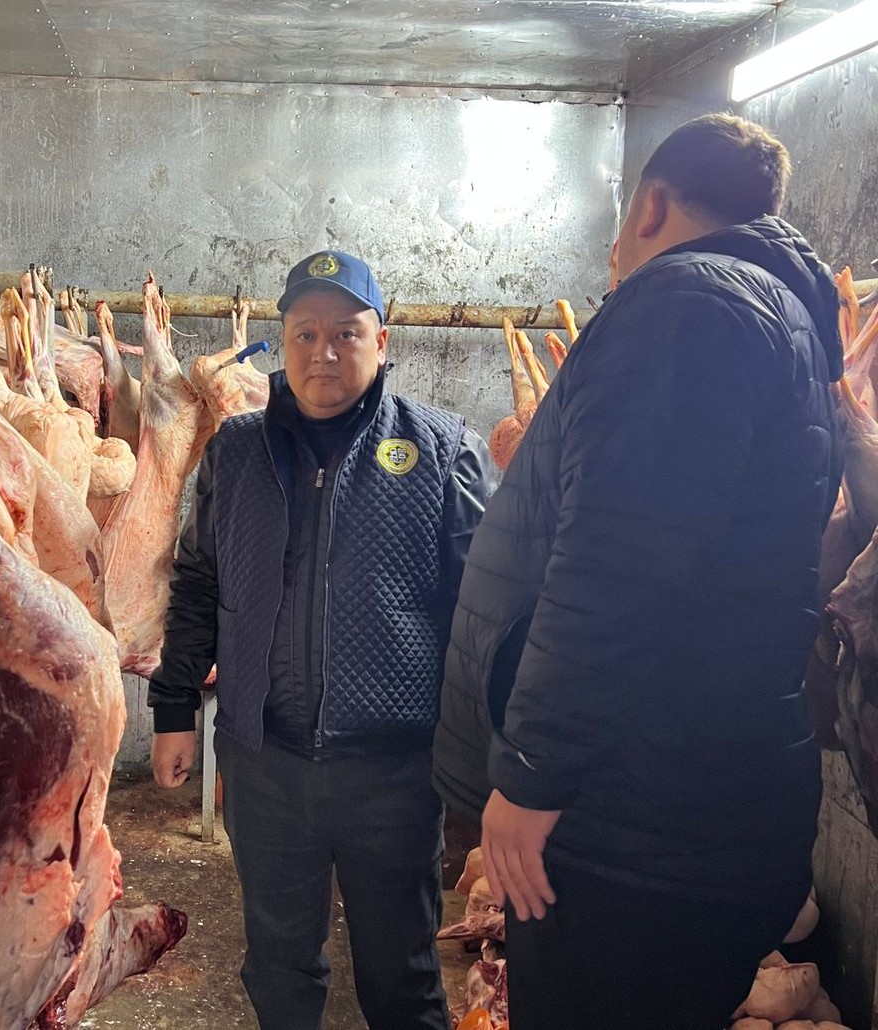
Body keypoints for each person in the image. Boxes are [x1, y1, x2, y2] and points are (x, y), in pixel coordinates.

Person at [433, 113, 843, 1029]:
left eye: (618, 231)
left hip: (631, 838)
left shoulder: (690, 303)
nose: (616, 258)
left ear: (651, 206)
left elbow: (618, 567)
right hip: (673, 816)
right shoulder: (769, 313)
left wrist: (531, 776)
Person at [148, 249, 494, 1030]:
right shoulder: (235, 451)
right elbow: (198, 583)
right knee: (279, 968)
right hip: (265, 765)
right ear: (284, 341)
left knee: (402, 977)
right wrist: (173, 709)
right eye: (305, 333)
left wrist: (491, 770)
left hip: (394, 774)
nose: (323, 352)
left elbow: (484, 621)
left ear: (382, 339)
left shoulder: (443, 451)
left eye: (345, 333)